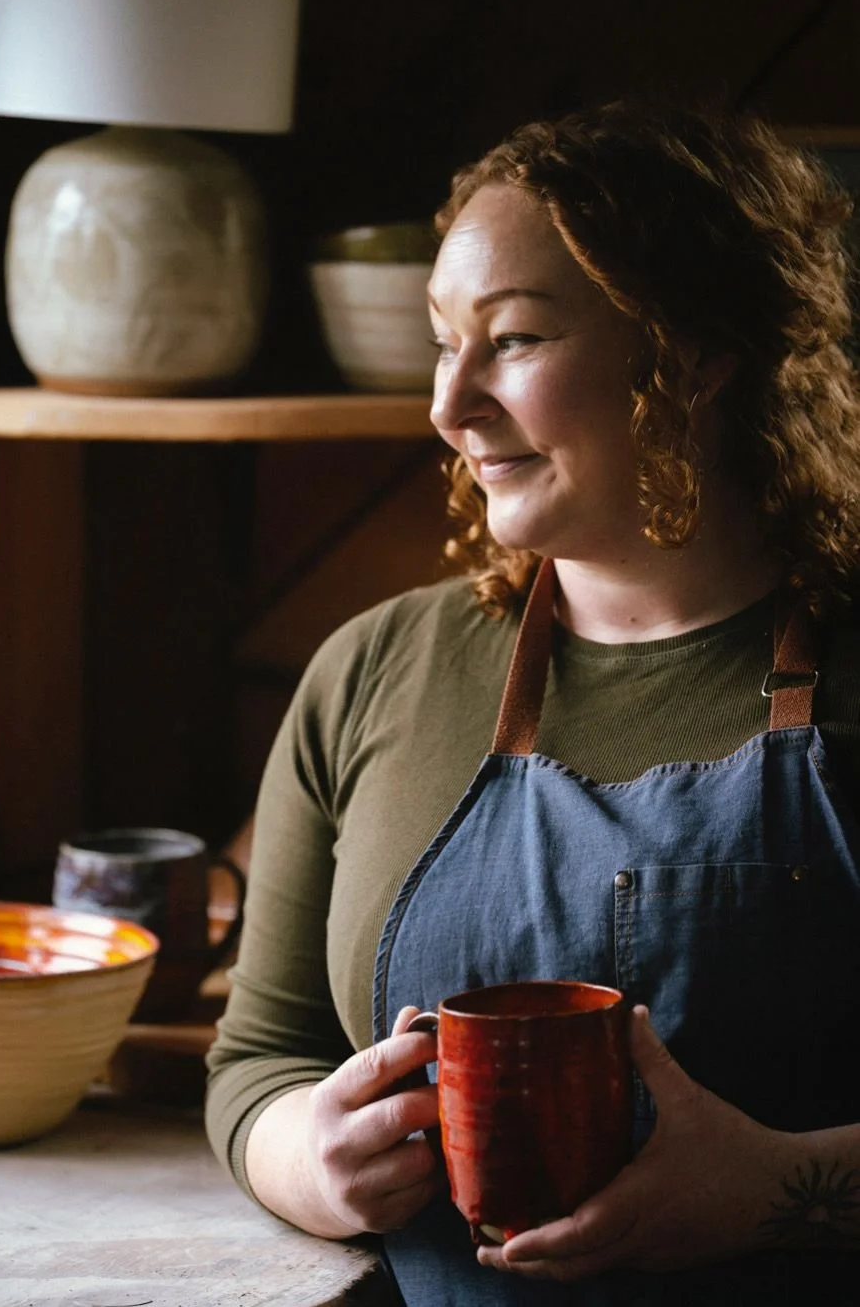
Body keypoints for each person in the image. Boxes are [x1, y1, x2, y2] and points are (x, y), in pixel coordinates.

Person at [205, 100, 860, 1305]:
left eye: (509, 341)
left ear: (694, 353)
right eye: (442, 341)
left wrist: (771, 1186)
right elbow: (259, 1058)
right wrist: (307, 1158)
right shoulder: (370, 671)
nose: (447, 407)